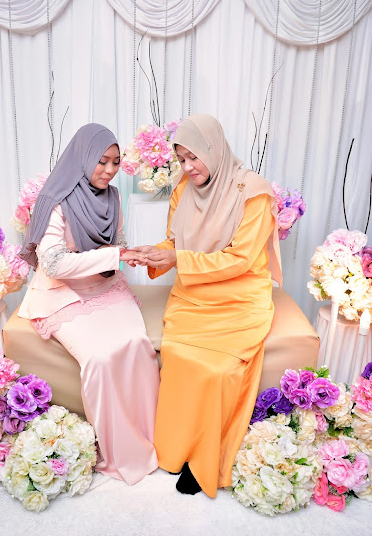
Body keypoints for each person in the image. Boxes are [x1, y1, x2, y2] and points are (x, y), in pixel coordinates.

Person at [137, 114, 282, 497]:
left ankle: (204, 459)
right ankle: (177, 450)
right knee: (179, 355)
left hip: (239, 296)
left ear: (213, 150)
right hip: (193, 294)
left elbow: (241, 260)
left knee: (219, 369)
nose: (187, 167)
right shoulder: (184, 188)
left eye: (194, 157)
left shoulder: (254, 192)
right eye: (181, 159)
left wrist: (178, 258)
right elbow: (175, 243)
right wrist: (155, 254)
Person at [18, 123, 160, 485]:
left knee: (138, 346)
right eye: (102, 161)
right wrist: (116, 255)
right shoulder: (55, 201)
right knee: (98, 358)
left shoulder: (113, 197)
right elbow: (53, 264)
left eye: (115, 162)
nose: (109, 170)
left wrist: (129, 253)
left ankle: (151, 438)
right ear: (83, 158)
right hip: (61, 293)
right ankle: (118, 451)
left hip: (105, 285)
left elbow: (118, 241)